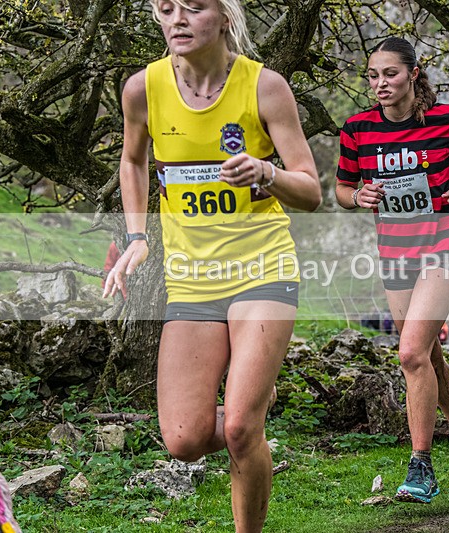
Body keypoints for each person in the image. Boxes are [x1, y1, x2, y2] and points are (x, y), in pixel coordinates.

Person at [103, 0, 321, 530]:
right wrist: (137, 236)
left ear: (224, 15)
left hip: (262, 269)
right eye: (165, 8)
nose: (176, 19)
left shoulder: (264, 87)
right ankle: (255, 387)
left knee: (243, 428)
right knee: (184, 440)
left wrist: (266, 173)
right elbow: (133, 160)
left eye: (193, 7)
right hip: (192, 279)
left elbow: (312, 191)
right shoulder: (143, 89)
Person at [335, 36, 449, 503]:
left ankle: (421, 465)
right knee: (425, 356)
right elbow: (343, 188)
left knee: (410, 353)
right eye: (373, 76)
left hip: (444, 244)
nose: (380, 83)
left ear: (412, 73)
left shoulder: (448, 119)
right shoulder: (357, 129)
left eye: (390, 73)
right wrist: (358, 198)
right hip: (395, 251)